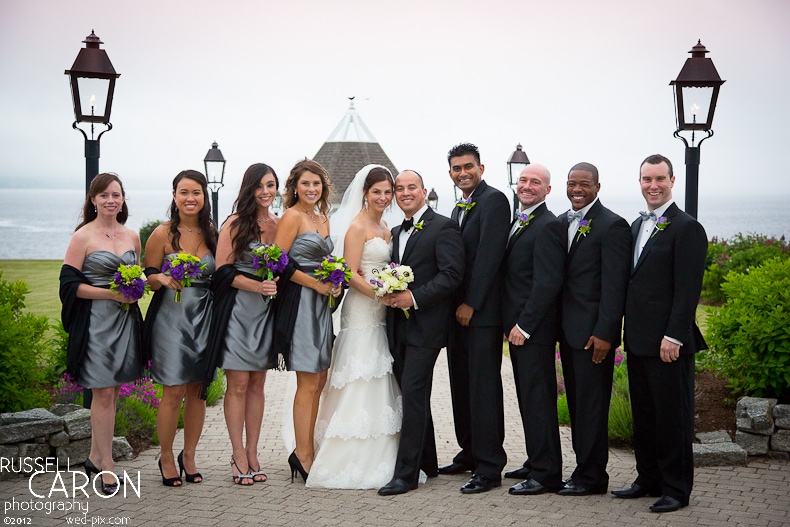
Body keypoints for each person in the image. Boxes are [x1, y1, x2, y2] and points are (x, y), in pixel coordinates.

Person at [613, 154, 707, 513]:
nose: (653, 185)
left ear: (672, 181)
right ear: (640, 182)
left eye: (659, 179)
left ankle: (676, 489)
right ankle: (647, 478)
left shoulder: (686, 228)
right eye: (646, 179)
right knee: (646, 416)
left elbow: (688, 291)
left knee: (673, 419)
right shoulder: (637, 227)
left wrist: (674, 335)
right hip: (638, 341)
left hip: (669, 343)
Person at [306, 164, 402, 489]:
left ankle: (382, 450)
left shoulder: (386, 225)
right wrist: (378, 293)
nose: (383, 197)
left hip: (382, 309)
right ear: (365, 192)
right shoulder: (357, 226)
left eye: (388, 192)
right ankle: (346, 453)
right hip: (362, 308)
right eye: (377, 191)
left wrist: (392, 288)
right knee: (361, 369)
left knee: (379, 371)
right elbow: (348, 273)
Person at [378, 169, 464, 496]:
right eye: (399, 189)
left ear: (424, 191)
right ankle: (428, 460)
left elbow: (451, 275)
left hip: (427, 327)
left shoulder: (444, 227)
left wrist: (412, 298)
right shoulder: (397, 230)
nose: (404, 193)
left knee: (412, 394)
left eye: (411, 187)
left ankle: (406, 475)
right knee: (412, 394)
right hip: (397, 325)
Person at [59, 173, 142, 496]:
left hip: (124, 325)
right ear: (93, 199)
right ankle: (107, 467)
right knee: (103, 394)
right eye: (104, 195)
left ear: (123, 200)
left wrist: (135, 291)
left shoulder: (132, 236)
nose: (111, 200)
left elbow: (137, 278)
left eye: (116, 195)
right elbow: (68, 286)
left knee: (114, 392)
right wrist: (111, 295)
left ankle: (94, 457)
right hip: (95, 325)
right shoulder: (83, 237)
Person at [557, 162, 631, 496]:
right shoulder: (561, 223)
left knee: (591, 408)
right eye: (572, 183)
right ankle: (582, 470)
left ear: (597, 187)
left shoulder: (612, 226)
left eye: (584, 184)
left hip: (593, 337)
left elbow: (615, 287)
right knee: (577, 406)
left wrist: (606, 334)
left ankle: (593, 477)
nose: (576, 189)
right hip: (568, 334)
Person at [441, 143, 511, 494]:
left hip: (481, 314)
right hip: (456, 314)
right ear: (450, 172)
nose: (463, 172)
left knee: (483, 388)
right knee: (461, 384)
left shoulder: (495, 201)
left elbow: (488, 258)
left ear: (481, 168)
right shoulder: (458, 207)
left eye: (468, 166)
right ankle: (468, 451)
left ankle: (489, 465)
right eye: (456, 168)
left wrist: (471, 303)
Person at [143, 170, 218, 487]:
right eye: (184, 192)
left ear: (204, 197)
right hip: (171, 320)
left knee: (198, 392)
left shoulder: (213, 234)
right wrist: (160, 278)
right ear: (174, 195)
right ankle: (165, 456)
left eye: (197, 192)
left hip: (205, 317)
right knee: (172, 391)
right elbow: (147, 276)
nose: (191, 198)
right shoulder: (161, 235)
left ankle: (189, 455)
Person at [207, 164, 280, 485]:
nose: (266, 191)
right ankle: (237, 455)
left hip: (266, 315)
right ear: (249, 189)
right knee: (237, 384)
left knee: (257, 386)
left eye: (271, 185)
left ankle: (253, 452)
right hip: (238, 311)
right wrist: (256, 287)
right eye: (260, 186)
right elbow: (221, 271)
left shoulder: (279, 225)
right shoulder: (235, 224)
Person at [500, 164, 565, 496]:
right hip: (518, 328)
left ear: (547, 190)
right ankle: (536, 459)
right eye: (523, 180)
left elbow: (547, 283)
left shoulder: (549, 226)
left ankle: (546, 473)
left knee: (539, 400)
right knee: (528, 399)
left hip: (532, 331)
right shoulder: (521, 219)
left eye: (535, 182)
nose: (527, 186)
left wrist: (524, 325)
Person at [274, 159, 341, 483]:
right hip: (300, 303)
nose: (311, 189)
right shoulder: (292, 217)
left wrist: (334, 281)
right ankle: (302, 454)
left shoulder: (322, 217)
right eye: (305, 184)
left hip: (321, 305)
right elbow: (279, 261)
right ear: (295, 187)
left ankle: (307, 449)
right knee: (306, 380)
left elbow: (326, 260)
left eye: (316, 184)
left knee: (319, 380)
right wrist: (315, 283)